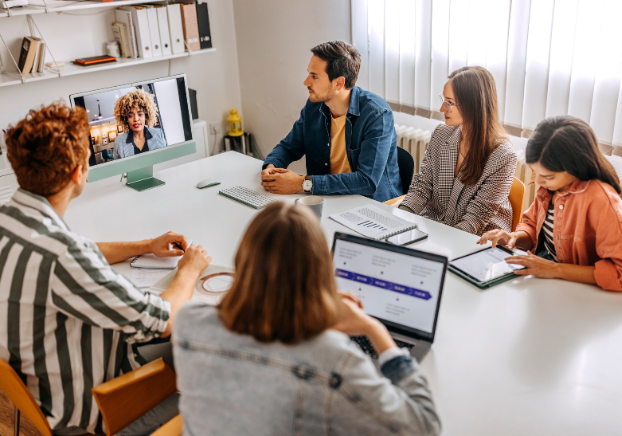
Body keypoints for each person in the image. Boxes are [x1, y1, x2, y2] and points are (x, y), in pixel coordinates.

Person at [0, 102, 211, 435]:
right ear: (77, 172)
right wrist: (189, 268)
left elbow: (78, 250)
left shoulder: (11, 219)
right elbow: (165, 320)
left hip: (34, 383)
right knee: (209, 351)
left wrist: (144, 245)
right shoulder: (63, 256)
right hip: (93, 409)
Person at [173, 202, 441, 436]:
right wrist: (374, 327)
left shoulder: (189, 323)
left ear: (243, 262)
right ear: (321, 274)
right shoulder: (335, 359)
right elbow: (424, 426)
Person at [477, 116, 622, 291]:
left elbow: (619, 273)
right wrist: (514, 238)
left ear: (576, 167)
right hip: (544, 277)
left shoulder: (602, 201)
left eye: (548, 176)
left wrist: (554, 269)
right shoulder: (551, 189)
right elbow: (532, 226)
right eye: (535, 173)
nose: (538, 181)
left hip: (578, 290)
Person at [260, 41, 402, 203]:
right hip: (328, 199)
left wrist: (302, 183)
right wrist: (271, 167)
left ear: (338, 83)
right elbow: (288, 147)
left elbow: (367, 181)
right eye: (309, 74)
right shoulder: (313, 106)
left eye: (314, 76)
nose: (306, 82)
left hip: (373, 205)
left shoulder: (377, 114)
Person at [398, 66, 517, 235]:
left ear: (473, 105)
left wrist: (441, 245)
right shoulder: (441, 133)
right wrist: (398, 217)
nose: (442, 109)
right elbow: (422, 186)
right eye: (443, 100)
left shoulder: (502, 155)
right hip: (437, 225)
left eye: (450, 103)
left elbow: (477, 216)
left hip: (479, 236)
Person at [113, 88, 167, 159]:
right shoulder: (119, 142)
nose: (135, 119)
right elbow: (118, 169)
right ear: (126, 119)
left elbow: (165, 159)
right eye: (131, 116)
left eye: (140, 114)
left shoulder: (158, 134)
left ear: (146, 116)